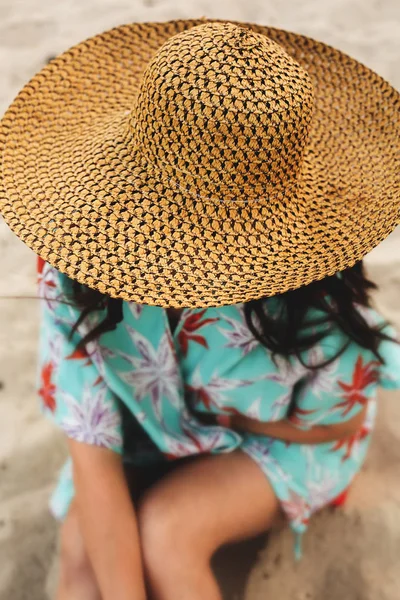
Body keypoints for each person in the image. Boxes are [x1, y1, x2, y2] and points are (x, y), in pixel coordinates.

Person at [1, 18, 400, 600]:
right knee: (82, 561)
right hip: (145, 435)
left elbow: (333, 423)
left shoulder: (314, 293)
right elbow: (92, 452)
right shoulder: (78, 266)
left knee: (169, 529)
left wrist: (237, 423)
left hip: (279, 437)